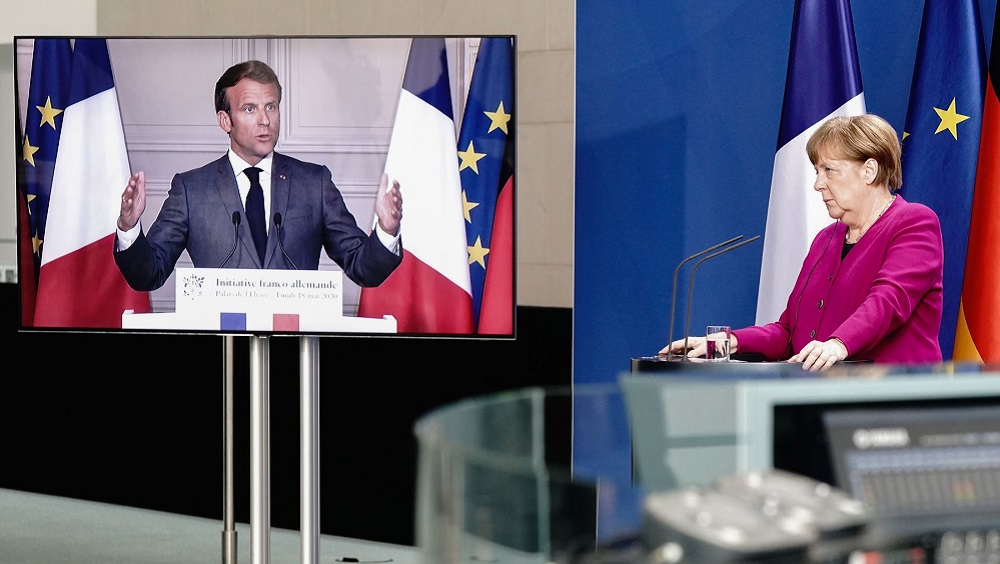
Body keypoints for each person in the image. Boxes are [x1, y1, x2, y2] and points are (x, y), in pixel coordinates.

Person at [661, 114, 944, 372]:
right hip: (823, 401)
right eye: (817, 172)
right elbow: (789, 332)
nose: (818, 184)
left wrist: (837, 344)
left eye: (829, 170)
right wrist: (729, 341)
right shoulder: (826, 239)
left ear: (869, 170)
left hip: (894, 402)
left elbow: (888, 301)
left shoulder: (914, 222)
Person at [114, 60, 402, 291]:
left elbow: (363, 268)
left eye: (271, 107)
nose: (265, 120)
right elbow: (148, 274)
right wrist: (129, 227)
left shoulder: (315, 184)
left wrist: (387, 230)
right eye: (250, 109)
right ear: (225, 120)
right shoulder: (191, 190)